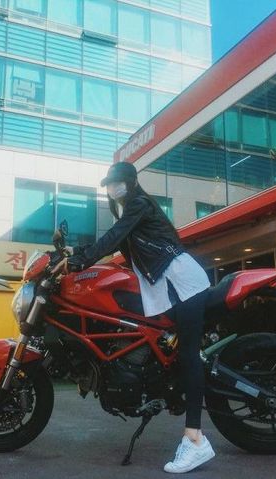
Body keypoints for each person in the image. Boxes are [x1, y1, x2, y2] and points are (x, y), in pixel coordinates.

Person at [53, 161, 215, 474]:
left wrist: (80, 261)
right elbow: (116, 245)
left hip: (184, 284)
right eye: (108, 184)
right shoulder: (132, 214)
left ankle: (195, 439)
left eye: (115, 182)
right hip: (170, 288)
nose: (111, 188)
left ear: (130, 181)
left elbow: (113, 238)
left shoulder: (139, 204)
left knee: (189, 355)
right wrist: (75, 253)